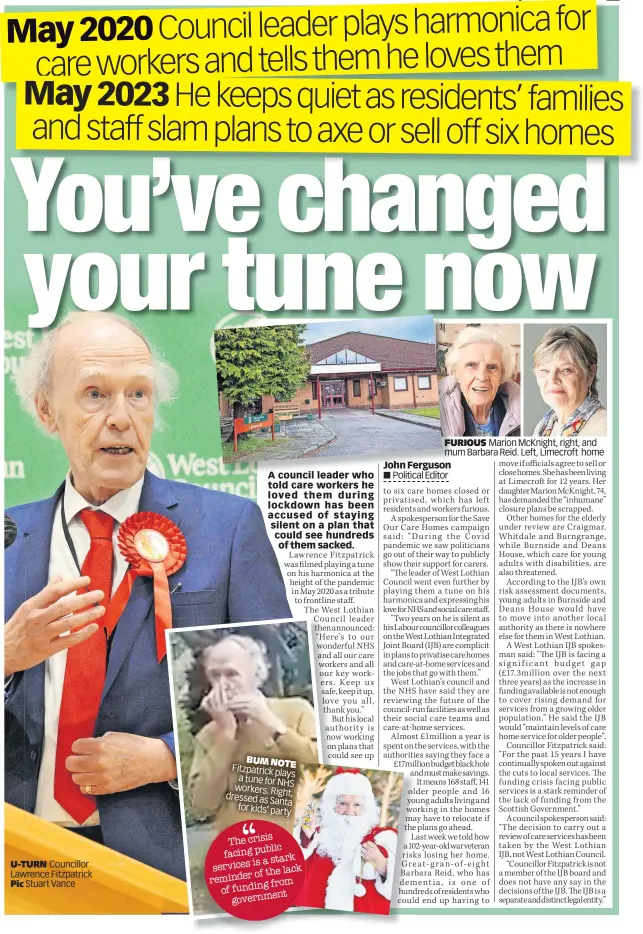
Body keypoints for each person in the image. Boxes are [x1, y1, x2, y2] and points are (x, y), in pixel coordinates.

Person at [4, 311, 291, 880]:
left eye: (138, 393)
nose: (120, 418)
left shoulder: (228, 527)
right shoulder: (8, 536)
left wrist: (165, 758)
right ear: (46, 411)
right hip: (21, 858)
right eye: (94, 394)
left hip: (168, 866)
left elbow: (282, 700)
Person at [187, 635, 317, 831]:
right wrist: (226, 735)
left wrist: (272, 724)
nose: (224, 685)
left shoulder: (297, 710)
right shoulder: (210, 734)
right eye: (215, 675)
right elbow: (201, 806)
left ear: (256, 674)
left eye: (232, 674)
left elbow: (323, 772)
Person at [293, 768, 397, 914]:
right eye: (343, 803)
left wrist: (383, 866)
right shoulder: (317, 837)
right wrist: (305, 838)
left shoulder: (384, 838)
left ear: (366, 808)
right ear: (332, 806)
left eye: (357, 805)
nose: (349, 811)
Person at [439, 326, 520, 437]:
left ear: (501, 375)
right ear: (456, 373)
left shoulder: (522, 411)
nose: (482, 377)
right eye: (471, 365)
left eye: (492, 367)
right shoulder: (439, 411)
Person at [532, 327, 608, 437]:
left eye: (566, 370)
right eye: (544, 370)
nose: (552, 379)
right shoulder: (542, 427)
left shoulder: (606, 428)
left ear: (590, 373)